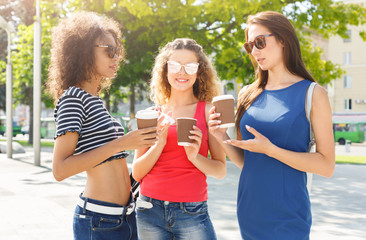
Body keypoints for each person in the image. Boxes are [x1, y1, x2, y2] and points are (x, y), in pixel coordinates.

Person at [208, 11, 335, 240]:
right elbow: (248, 162)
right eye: (250, 46)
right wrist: (221, 137)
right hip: (249, 210)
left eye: (260, 42)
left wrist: (271, 150)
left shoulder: (312, 93)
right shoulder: (247, 93)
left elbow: (327, 166)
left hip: (288, 217)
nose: (255, 51)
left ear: (283, 39)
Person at [47, 11, 158, 240]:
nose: (116, 58)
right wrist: (122, 142)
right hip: (99, 221)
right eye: (109, 51)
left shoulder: (93, 99)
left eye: (117, 51)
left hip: (125, 217)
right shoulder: (73, 98)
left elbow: (109, 161)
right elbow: (60, 170)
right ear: (84, 52)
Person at [132, 38, 226, 240]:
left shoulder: (209, 111)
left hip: (192, 211)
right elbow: (137, 173)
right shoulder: (151, 114)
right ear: (165, 70)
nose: (182, 72)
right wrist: (159, 145)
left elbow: (220, 170)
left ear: (198, 71)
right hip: (149, 210)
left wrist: (194, 157)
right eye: (174, 65)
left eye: (190, 66)